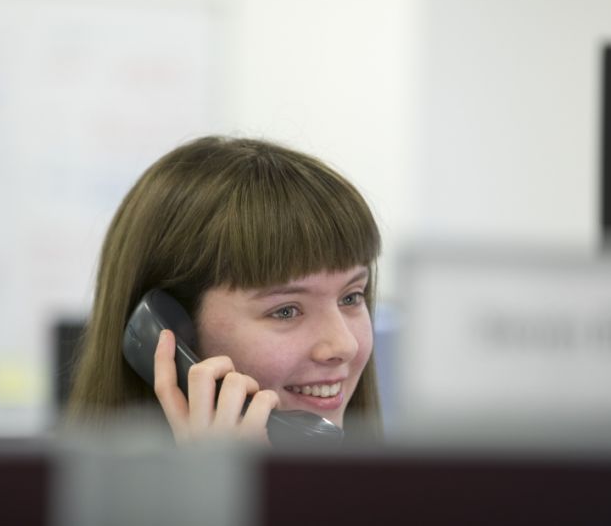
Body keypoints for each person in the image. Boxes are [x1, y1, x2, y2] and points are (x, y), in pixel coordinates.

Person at [67, 136, 382, 445]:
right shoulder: (90, 498)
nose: (345, 345)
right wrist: (214, 483)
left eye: (351, 297)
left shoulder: (394, 495)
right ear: (171, 334)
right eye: (286, 310)